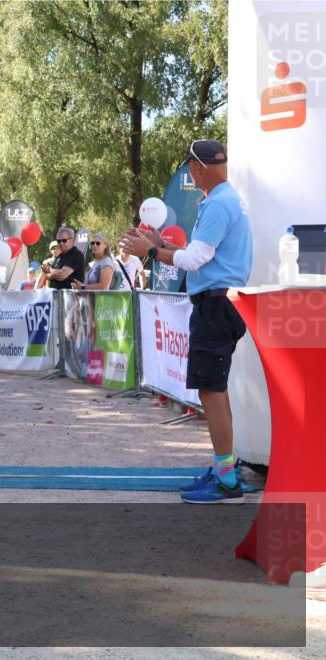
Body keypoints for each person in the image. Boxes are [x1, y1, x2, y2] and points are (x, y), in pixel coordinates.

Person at [121, 139, 252, 504]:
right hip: (219, 302)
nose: (191, 175)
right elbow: (201, 255)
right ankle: (225, 469)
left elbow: (194, 260)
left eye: (191, 168)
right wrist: (159, 241)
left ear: (197, 167)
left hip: (215, 304)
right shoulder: (226, 199)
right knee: (213, 389)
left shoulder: (219, 203)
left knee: (212, 390)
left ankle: (227, 478)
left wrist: (149, 249)